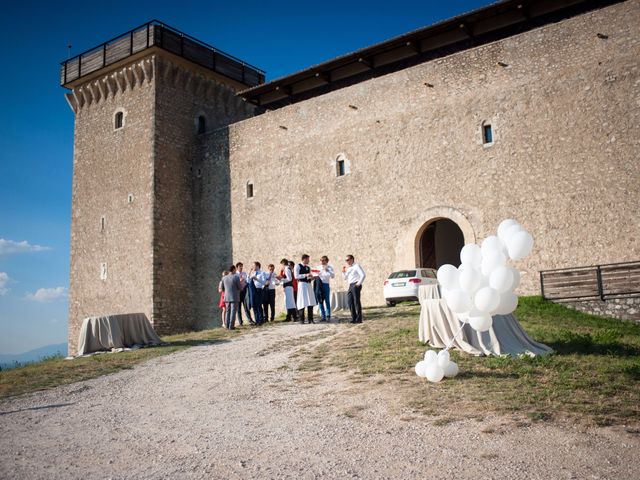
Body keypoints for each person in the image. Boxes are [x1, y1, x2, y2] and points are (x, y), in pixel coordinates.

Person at [342, 254, 366, 323]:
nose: (347, 261)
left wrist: (358, 283)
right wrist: (343, 272)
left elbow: (363, 275)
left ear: (352, 259)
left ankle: (359, 319)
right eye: (346, 260)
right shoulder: (349, 268)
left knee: (356, 302)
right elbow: (345, 278)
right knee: (350, 302)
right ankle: (354, 318)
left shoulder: (356, 266)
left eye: (348, 260)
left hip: (356, 284)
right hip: (350, 285)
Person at [295, 254, 317, 323]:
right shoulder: (297, 266)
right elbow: (296, 276)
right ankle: (302, 319)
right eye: (308, 259)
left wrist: (313, 277)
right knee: (302, 301)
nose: (308, 261)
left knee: (310, 301)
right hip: (302, 285)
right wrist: (305, 275)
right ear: (304, 259)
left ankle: (310, 319)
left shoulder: (308, 267)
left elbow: (308, 277)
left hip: (308, 285)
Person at [220, 265, 242, 330]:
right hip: (234, 297)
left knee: (227, 311)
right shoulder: (236, 277)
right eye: (235, 269)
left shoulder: (224, 278)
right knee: (233, 312)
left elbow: (222, 288)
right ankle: (231, 326)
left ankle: (227, 326)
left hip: (226, 297)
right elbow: (239, 287)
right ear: (233, 269)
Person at [315, 255, 335, 322]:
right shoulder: (318, 267)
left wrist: (328, 270)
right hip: (319, 285)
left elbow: (332, 276)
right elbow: (315, 275)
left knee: (327, 300)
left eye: (323, 260)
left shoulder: (330, 267)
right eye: (321, 260)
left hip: (326, 285)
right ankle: (323, 316)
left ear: (326, 261)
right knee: (320, 301)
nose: (322, 261)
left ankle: (328, 316)